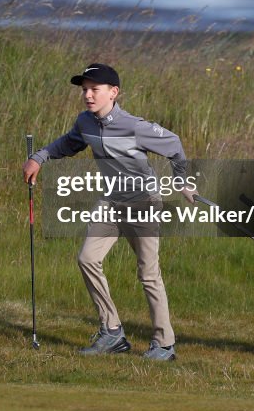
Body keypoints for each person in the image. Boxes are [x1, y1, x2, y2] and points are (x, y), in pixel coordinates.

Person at [22, 63, 195, 360]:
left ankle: (164, 344)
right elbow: (68, 143)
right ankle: (112, 331)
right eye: (84, 90)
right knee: (87, 258)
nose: (88, 95)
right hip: (111, 201)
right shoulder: (85, 122)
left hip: (143, 202)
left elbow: (174, 145)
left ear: (113, 93)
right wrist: (39, 158)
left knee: (148, 273)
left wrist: (182, 180)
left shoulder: (134, 126)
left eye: (94, 89)